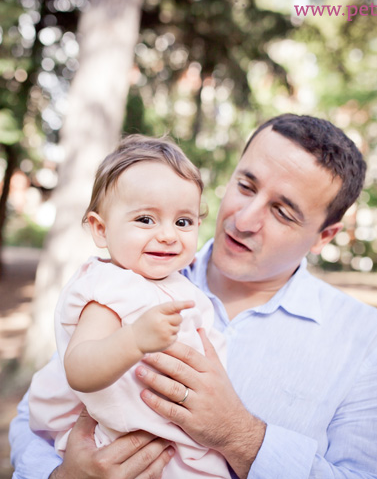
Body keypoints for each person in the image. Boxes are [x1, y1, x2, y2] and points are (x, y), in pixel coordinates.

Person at [9, 114, 377, 479]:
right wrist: (62, 477)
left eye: (282, 212)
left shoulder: (370, 345)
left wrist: (241, 437)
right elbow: (39, 411)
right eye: (245, 186)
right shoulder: (130, 276)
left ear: (323, 236)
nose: (244, 219)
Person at [27, 135, 230, 478]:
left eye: (183, 221)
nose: (168, 235)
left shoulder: (180, 285)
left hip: (176, 441)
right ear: (101, 230)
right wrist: (134, 340)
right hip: (120, 440)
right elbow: (78, 367)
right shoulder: (108, 288)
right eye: (146, 220)